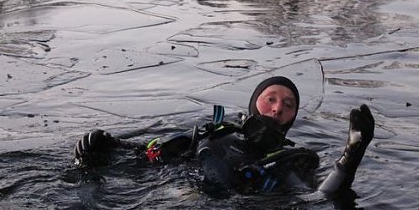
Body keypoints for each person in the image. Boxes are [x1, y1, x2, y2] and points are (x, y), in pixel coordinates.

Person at [73, 76, 374, 196]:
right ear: (253, 103)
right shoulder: (214, 132)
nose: (277, 108)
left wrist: (352, 155)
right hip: (153, 195)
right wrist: (108, 146)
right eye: (270, 99)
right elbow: (147, 156)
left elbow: (320, 196)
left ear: (292, 118)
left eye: (288, 104)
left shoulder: (291, 162)